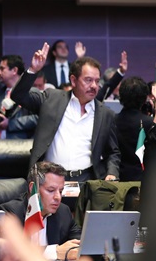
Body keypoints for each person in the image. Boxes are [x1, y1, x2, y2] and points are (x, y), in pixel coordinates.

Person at [10, 43, 121, 182]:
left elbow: (113, 152)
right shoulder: (51, 98)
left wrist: (112, 173)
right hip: (49, 179)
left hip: (86, 179)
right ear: (73, 80)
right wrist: (33, 70)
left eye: (97, 81)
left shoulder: (106, 114)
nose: (94, 86)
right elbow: (18, 95)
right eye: (88, 80)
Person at [0, 162, 82, 261]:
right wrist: (54, 252)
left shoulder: (63, 212)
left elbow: (80, 243)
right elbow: (9, 252)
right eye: (51, 190)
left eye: (60, 191)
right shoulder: (11, 213)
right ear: (32, 188)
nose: (58, 197)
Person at [115, 77, 156, 181]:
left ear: (120, 96)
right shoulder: (151, 123)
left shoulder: (112, 121)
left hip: (118, 180)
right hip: (146, 182)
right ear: (145, 98)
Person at [0, 54, 39, 139]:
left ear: (14, 70)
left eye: (2, 69)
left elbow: (39, 118)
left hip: (21, 147)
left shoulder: (31, 93)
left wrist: (11, 124)